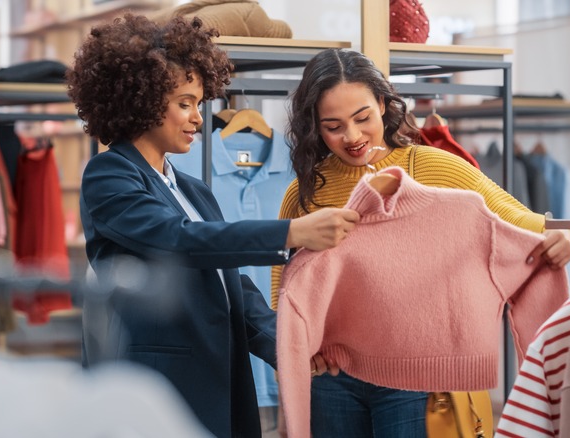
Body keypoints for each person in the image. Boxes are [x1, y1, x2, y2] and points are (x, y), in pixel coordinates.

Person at [66, 15, 359, 438]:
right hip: (158, 384)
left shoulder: (193, 189)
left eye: (199, 104)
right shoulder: (108, 174)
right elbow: (177, 240)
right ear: (141, 100)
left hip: (218, 375)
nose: (198, 119)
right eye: (185, 103)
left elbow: (232, 285)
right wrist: (290, 233)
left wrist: (291, 345)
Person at [270, 48, 570, 437]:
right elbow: (283, 290)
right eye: (333, 125)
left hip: (413, 380)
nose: (352, 136)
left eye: (362, 118)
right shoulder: (304, 193)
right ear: (315, 125)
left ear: (382, 103)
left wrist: (555, 235)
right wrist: (293, 371)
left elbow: (516, 221)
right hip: (331, 378)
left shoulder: (432, 167)